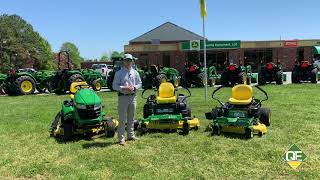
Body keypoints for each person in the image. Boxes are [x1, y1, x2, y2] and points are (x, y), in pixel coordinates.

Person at [112, 54, 142, 146]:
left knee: (131, 118)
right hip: (123, 97)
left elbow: (140, 83)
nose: (128, 62)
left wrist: (134, 87)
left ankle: (130, 135)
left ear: (132, 61)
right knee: (122, 119)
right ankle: (121, 139)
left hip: (133, 97)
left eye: (130, 60)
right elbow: (114, 86)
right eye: (126, 60)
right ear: (123, 61)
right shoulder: (119, 73)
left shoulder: (135, 72)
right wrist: (123, 88)